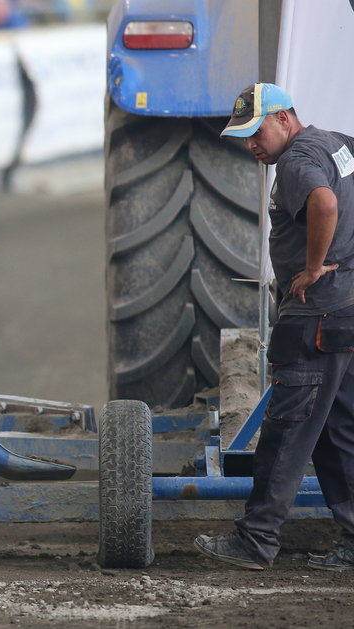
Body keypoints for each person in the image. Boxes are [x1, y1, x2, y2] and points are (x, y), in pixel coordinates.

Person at [195, 83, 354, 571]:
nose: (250, 146)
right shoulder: (339, 144)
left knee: (286, 432)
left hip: (315, 316)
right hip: (346, 310)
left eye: (255, 132)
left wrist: (313, 265)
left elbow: (324, 204)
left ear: (283, 117)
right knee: (338, 431)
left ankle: (256, 540)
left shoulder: (294, 163)